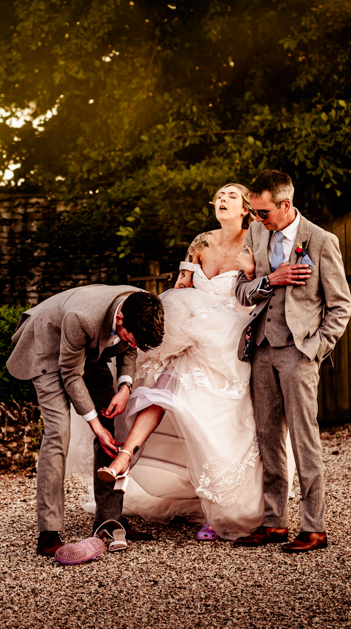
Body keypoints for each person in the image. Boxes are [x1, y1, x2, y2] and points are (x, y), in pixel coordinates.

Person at [80, 183, 293, 541]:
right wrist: (180, 304)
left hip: (232, 342)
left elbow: (262, 292)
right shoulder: (200, 242)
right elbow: (182, 290)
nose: (222, 201)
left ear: (245, 208)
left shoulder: (258, 240)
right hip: (192, 337)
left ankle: (220, 509)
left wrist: (254, 270)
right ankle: (123, 458)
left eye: (230, 197)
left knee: (216, 421)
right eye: (219, 196)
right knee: (161, 388)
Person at [233, 169, 351, 553]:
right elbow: (241, 290)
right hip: (262, 349)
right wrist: (272, 280)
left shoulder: (320, 241)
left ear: (286, 205)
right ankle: (273, 524)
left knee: (304, 440)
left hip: (299, 353)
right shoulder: (255, 234)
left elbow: (340, 306)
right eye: (253, 212)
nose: (256, 219)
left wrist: (315, 348)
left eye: (263, 212)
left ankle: (313, 528)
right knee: (267, 438)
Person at [6, 285, 165, 557]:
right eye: (131, 336)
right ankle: (48, 531)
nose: (133, 343)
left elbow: (129, 348)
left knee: (112, 420)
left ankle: (108, 519)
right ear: (119, 319)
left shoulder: (140, 306)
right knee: (58, 432)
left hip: (87, 351)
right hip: (48, 350)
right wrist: (95, 426)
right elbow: (70, 375)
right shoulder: (81, 317)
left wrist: (125, 387)